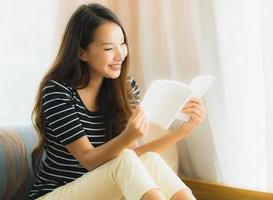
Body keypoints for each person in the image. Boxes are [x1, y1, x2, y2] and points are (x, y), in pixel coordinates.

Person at [29, 3, 206, 200]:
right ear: (82, 53)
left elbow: (136, 155)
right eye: (108, 48)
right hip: (55, 195)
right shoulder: (57, 92)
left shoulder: (126, 89)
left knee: (149, 159)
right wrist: (127, 136)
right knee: (125, 159)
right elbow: (88, 160)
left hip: (102, 191)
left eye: (122, 43)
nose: (120, 54)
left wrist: (183, 131)